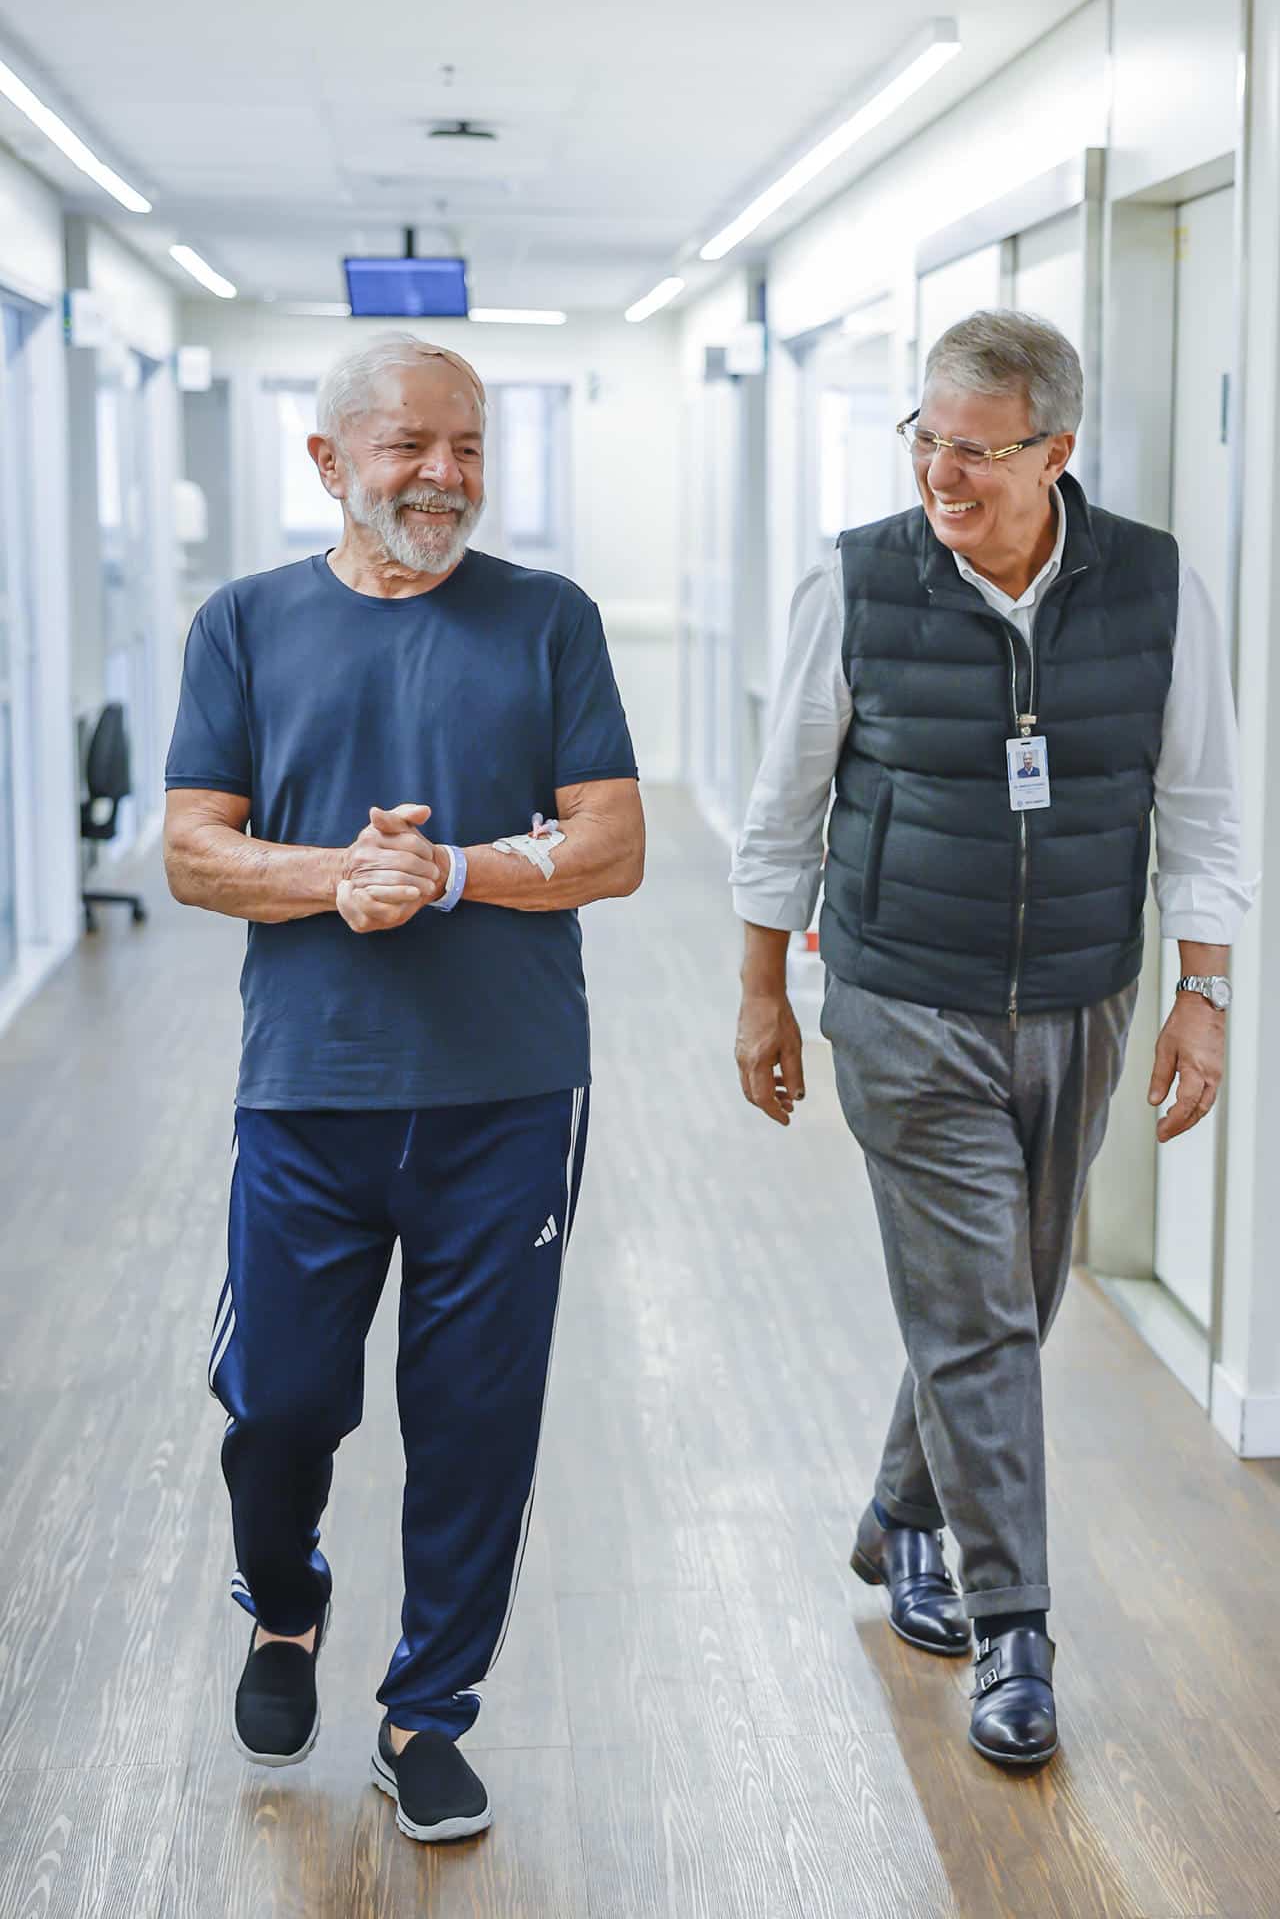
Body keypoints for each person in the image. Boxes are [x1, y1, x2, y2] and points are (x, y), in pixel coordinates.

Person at [730, 310, 1252, 1770]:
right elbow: (785, 804)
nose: (941, 476)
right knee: (977, 1305)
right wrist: (764, 988)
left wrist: (1202, 992)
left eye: (976, 450)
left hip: (1083, 993)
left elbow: (1203, 802)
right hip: (901, 993)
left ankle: (902, 1515)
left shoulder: (1154, 585)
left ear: (1057, 450)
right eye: (926, 441)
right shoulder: (857, 581)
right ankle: (1013, 1623)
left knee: (1011, 1295)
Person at [163, 333, 643, 1840]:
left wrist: (446, 875)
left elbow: (613, 844)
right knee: (286, 1402)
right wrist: (344, 875)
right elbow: (191, 847)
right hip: (309, 1093)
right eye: (410, 449)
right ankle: (286, 1601)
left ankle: (426, 1713)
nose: (446, 477)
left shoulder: (547, 621)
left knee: (476, 1419)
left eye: (470, 449)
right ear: (327, 462)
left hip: (509, 1096)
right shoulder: (245, 624)